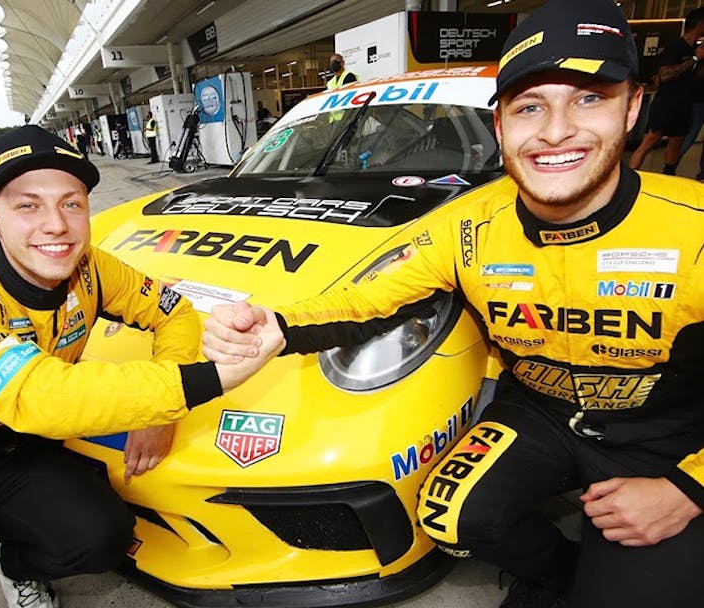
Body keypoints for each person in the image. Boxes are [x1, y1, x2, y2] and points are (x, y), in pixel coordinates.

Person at [202, 1, 704, 607]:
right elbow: (363, 299)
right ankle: (557, 572)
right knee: (449, 517)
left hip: (672, 436)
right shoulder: (463, 225)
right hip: (541, 414)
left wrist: (686, 488)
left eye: (588, 98)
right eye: (530, 107)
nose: (554, 131)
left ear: (633, 108)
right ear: (501, 129)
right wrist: (273, 325)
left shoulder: (694, 227)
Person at [0, 125, 283, 608]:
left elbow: (175, 311)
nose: (56, 224)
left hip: (18, 457)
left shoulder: (93, 269)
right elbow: (41, 396)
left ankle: (13, 565)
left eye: (72, 203)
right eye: (28, 205)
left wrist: (161, 414)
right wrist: (199, 383)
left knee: (101, 537)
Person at [628, 8, 704, 175]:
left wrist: (699, 59)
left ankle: (668, 176)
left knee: (676, 143)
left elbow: (695, 76)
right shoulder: (676, 46)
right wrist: (694, 59)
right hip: (666, 103)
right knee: (649, 141)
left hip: (684, 104)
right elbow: (664, 75)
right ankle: (630, 176)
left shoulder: (695, 49)